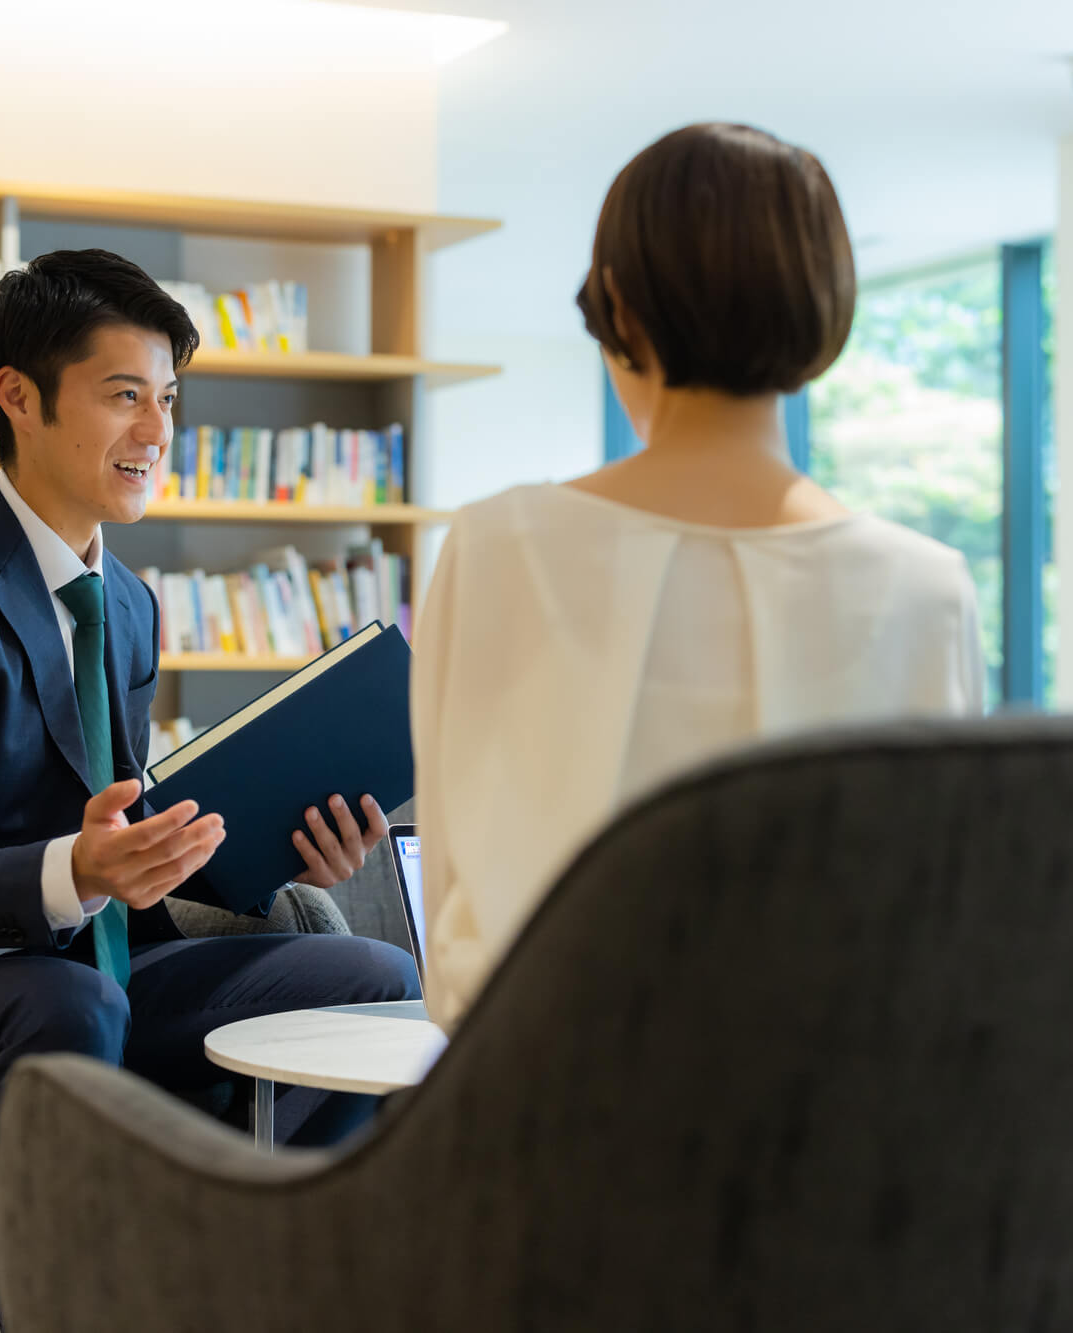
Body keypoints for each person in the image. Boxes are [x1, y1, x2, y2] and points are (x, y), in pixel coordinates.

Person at [0, 248, 418, 1277]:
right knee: (68, 1003)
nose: (157, 431)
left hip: (85, 973)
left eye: (169, 399)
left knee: (371, 977)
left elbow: (125, 849)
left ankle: (256, 1280)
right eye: (124, 396)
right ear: (18, 397)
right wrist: (77, 871)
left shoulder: (129, 606)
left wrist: (276, 848)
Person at [411, 123, 986, 1030]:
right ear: (824, 305)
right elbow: (944, 926)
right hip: (849, 1132)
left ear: (619, 308)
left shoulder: (500, 544)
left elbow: (451, 919)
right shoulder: (929, 585)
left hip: (547, 1115)